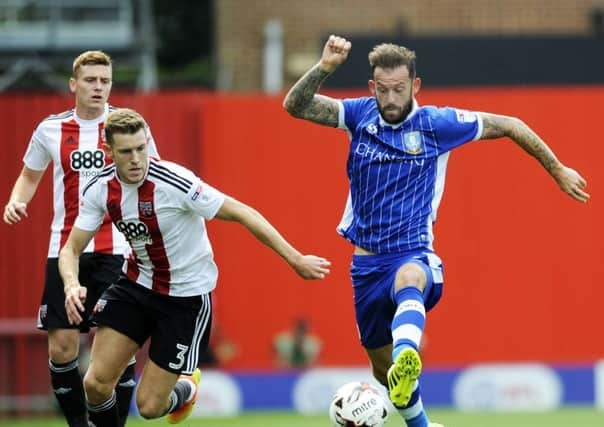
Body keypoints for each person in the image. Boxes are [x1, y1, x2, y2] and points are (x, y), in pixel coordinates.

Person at [283, 35, 589, 427]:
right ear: (372, 87)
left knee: (409, 279)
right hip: (365, 267)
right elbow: (295, 106)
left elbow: (509, 124)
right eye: (384, 90)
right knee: (384, 375)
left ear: (416, 86)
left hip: (414, 253)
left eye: (400, 89)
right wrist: (324, 68)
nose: (392, 99)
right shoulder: (359, 116)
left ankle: (406, 352)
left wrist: (557, 168)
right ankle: (420, 418)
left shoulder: (436, 124)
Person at [58, 108, 331, 426]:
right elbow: (71, 248)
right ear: (109, 152)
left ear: (148, 144)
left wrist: (295, 258)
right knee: (94, 384)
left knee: (148, 407)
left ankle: (185, 390)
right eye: (126, 152)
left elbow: (243, 213)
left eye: (141, 148)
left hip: (185, 300)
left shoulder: (175, 182)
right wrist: (70, 283)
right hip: (136, 285)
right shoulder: (101, 189)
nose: (136, 159)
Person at [3, 50, 159, 427]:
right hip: (65, 249)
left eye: (105, 80)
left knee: (115, 352)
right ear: (74, 85)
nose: (98, 87)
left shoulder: (129, 129)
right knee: (61, 348)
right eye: (90, 80)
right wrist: (15, 201)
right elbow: (29, 175)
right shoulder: (50, 130)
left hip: (117, 251)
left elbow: (153, 177)